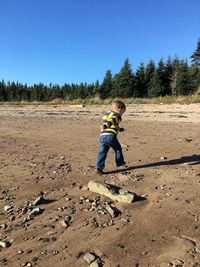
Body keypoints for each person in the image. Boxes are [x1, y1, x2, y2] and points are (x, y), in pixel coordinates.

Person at [96, 100, 127, 175]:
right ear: (119, 109)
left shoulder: (107, 114)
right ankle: (120, 163)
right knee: (118, 149)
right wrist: (105, 125)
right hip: (110, 136)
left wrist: (119, 129)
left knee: (102, 152)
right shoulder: (117, 116)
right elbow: (112, 121)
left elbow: (113, 123)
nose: (122, 114)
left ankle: (99, 168)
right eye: (123, 112)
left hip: (102, 136)